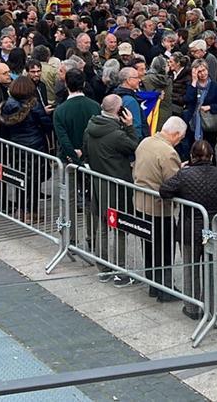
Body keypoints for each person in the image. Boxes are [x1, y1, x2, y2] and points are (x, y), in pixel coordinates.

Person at [159, 139, 217, 320]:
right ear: (212, 156)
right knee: (213, 270)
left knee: (191, 269)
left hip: (190, 229)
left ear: (191, 156)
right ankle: (210, 310)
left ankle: (192, 308)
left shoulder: (184, 175)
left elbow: (164, 190)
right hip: (215, 229)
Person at [81, 94, 139, 287]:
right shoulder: (117, 135)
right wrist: (130, 126)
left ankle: (103, 268)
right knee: (121, 228)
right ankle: (121, 270)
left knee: (103, 227)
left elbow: (86, 153)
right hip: (118, 186)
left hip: (99, 184)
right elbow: (135, 147)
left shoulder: (90, 128)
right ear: (119, 111)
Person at [132, 116, 186, 301]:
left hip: (140, 203)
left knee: (147, 246)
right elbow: (173, 183)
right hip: (158, 208)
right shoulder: (168, 153)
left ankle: (153, 284)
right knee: (164, 250)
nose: (180, 141)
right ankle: (165, 288)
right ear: (176, 134)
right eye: (181, 137)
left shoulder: (145, 142)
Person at [182, 59, 217, 158]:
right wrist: (194, 81)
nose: (202, 74)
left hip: (209, 124)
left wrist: (210, 107)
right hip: (193, 122)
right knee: (193, 149)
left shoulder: (216, 86)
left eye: (204, 70)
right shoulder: (191, 85)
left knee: (210, 150)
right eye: (199, 72)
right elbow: (188, 99)